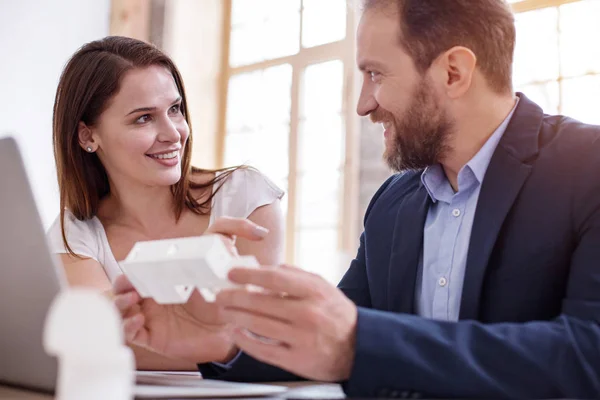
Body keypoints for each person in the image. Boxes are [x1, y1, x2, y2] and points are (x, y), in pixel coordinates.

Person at [113, 0, 600, 398]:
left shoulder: (588, 166)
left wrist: (360, 341)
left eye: (376, 74)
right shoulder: (393, 204)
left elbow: (588, 355)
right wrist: (222, 345)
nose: (364, 103)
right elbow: (326, 343)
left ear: (453, 72)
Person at [46, 36, 285, 371]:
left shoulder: (245, 196)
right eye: (143, 118)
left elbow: (263, 339)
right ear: (88, 136)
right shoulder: (76, 233)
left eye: (175, 109)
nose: (174, 133)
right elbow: (90, 340)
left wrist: (132, 331)